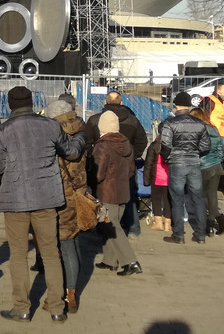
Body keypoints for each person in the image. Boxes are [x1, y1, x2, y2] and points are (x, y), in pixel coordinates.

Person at [0, 86, 85, 324]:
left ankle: (21, 308)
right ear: (32, 102)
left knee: (18, 255)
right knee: (51, 253)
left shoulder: (2, 131)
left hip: (15, 200)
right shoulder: (50, 126)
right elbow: (71, 153)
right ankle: (56, 308)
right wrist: (82, 136)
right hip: (47, 198)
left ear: (10, 105)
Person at [45, 97, 87, 314]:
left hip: (61, 197)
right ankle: (69, 291)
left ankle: (68, 294)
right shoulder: (79, 130)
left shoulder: (56, 137)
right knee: (74, 241)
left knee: (65, 246)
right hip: (79, 194)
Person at [84, 91, 148, 235]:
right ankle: (132, 228)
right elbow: (142, 141)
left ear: (105, 102)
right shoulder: (132, 120)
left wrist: (92, 157)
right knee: (129, 195)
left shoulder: (95, 120)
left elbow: (86, 141)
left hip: (102, 162)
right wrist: (131, 155)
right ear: (121, 103)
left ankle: (103, 229)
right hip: (126, 165)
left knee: (101, 196)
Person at [93, 111, 142, 276]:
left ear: (102, 127)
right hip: (123, 191)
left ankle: (131, 262)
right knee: (112, 226)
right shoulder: (126, 143)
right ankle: (110, 261)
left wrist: (90, 183)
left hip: (106, 193)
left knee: (111, 226)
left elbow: (97, 173)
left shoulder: (102, 146)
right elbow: (130, 170)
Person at [159, 92, 211, 244]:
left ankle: (179, 235)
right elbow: (206, 145)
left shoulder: (170, 123)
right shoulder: (199, 123)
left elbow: (166, 145)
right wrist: (194, 153)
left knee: (177, 200)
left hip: (176, 164)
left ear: (176, 105)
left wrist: (169, 157)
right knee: (198, 199)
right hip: (194, 163)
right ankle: (201, 235)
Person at [192, 106, 224, 235]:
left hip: (203, 167)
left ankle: (211, 225)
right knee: (212, 197)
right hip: (216, 166)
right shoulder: (214, 129)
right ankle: (219, 223)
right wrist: (218, 162)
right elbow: (220, 150)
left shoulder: (198, 132)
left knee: (202, 197)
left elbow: (196, 150)